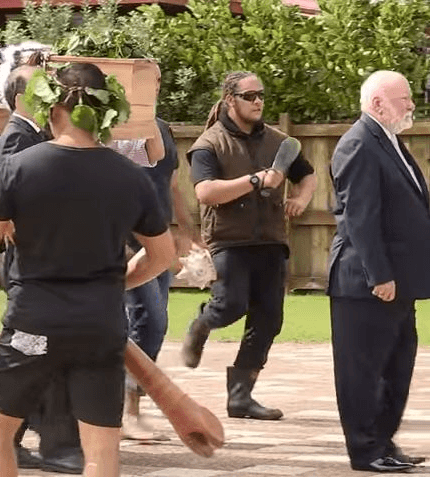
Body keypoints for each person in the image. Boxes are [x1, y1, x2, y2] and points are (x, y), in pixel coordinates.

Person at [0, 62, 176, 477]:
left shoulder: (18, 168)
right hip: (100, 325)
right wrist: (117, 285)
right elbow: (163, 256)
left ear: (51, 107)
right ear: (104, 110)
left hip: (32, 324)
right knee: (100, 447)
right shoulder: (130, 177)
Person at [180, 71, 317, 421]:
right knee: (230, 305)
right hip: (229, 240)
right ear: (230, 100)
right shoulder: (209, 144)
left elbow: (308, 174)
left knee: (269, 319)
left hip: (271, 240)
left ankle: (241, 396)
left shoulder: (279, 141)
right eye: (250, 96)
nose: (258, 101)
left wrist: (301, 197)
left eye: (261, 95)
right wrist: (255, 179)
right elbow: (205, 192)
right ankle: (202, 324)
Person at [327, 70, 430, 473]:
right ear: (377, 104)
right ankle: (365, 450)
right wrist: (379, 276)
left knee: (397, 366)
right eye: (403, 98)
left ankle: (384, 442)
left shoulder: (389, 141)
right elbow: (361, 218)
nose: (410, 105)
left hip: (399, 282)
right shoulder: (358, 145)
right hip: (366, 284)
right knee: (363, 372)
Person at [0, 64, 84, 475]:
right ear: (20, 99)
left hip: (38, 266)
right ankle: (26, 441)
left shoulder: (35, 134)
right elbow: (16, 195)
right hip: (26, 269)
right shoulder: (17, 135)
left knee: (38, 352)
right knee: (32, 352)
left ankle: (41, 441)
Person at [120, 64, 203, 440]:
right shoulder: (117, 129)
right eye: (143, 80)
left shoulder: (163, 128)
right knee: (147, 320)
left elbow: (169, 184)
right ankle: (125, 411)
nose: (152, 85)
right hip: (125, 240)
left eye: (155, 78)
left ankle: (129, 407)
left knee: (155, 322)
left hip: (157, 241)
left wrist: (186, 228)